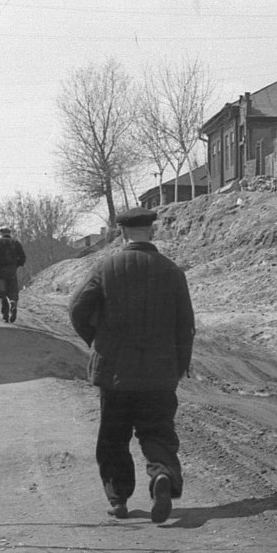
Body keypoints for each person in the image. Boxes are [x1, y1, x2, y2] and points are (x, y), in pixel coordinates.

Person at [68, 207, 195, 523]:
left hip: (116, 373)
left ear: (122, 233)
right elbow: (185, 326)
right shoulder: (173, 272)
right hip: (160, 373)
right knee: (158, 433)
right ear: (151, 231)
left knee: (113, 437)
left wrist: (98, 343)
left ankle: (119, 499)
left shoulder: (106, 268)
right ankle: (161, 474)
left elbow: (77, 309)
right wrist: (179, 365)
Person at [0, 226, 27, 322]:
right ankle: (13, 303)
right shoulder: (16, 243)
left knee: (2, 293)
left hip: (1, 272)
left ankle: (5, 315)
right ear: (9, 233)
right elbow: (23, 257)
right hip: (12, 271)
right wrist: (16, 265)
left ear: (1, 233)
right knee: (13, 291)